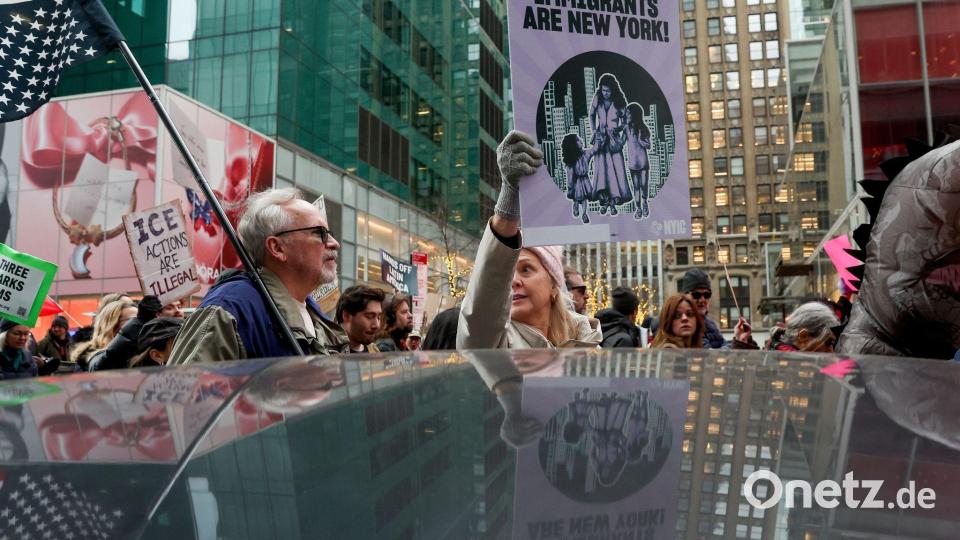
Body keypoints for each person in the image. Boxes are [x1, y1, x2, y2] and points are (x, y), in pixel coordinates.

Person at [456, 130, 602, 350]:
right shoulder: (493, 346)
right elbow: (482, 311)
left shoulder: (588, 343)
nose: (512, 281)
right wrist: (509, 197)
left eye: (526, 269)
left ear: (554, 285)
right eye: (509, 271)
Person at [169, 188, 350, 364]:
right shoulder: (227, 313)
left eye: (329, 234)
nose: (334, 244)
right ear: (277, 248)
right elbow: (184, 392)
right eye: (320, 233)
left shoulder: (316, 315)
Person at [589, 73, 631, 215]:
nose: (605, 93)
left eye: (608, 90)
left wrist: (623, 139)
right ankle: (605, 201)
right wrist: (594, 131)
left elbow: (627, 121)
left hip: (614, 141)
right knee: (602, 172)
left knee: (616, 171)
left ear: (613, 90)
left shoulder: (619, 102)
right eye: (603, 90)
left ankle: (614, 202)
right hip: (601, 140)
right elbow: (591, 114)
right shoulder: (597, 98)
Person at [90, 295, 165, 371]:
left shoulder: (149, 351)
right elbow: (105, 363)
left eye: (140, 318)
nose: (141, 323)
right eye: (133, 319)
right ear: (112, 326)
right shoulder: (97, 358)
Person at [70, 300, 137, 369]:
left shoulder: (139, 348)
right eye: (133, 320)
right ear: (111, 325)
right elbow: (102, 365)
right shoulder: (90, 355)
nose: (139, 324)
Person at [766, 302, 840, 352]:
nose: (831, 351)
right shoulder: (794, 369)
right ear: (803, 337)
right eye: (829, 343)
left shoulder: (779, 358)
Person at [334, 285, 385, 353]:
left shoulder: (374, 351)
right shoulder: (326, 352)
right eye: (369, 316)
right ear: (346, 316)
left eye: (379, 317)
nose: (377, 325)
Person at [561, 133, 599, 224]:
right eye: (578, 140)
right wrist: (570, 186)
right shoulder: (571, 161)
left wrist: (597, 137)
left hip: (585, 179)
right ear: (573, 145)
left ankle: (584, 213)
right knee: (578, 197)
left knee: (584, 197)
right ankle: (576, 205)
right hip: (576, 181)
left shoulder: (585, 154)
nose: (581, 141)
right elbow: (570, 175)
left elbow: (594, 149)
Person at [624, 102, 652, 219]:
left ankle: (645, 203)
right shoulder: (626, 128)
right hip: (632, 164)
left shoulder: (642, 128)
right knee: (635, 187)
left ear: (634, 115)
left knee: (643, 186)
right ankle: (638, 208)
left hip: (643, 162)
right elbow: (621, 142)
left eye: (628, 114)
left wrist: (640, 139)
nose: (627, 116)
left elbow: (648, 145)